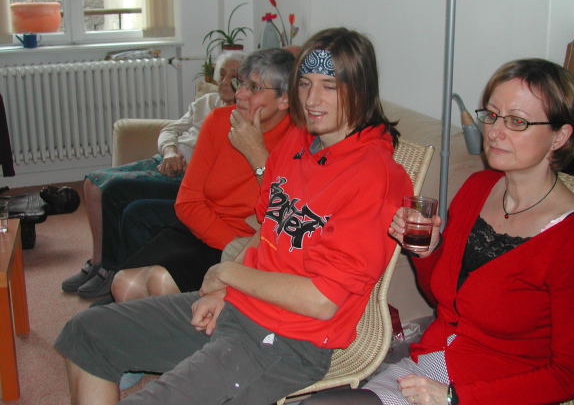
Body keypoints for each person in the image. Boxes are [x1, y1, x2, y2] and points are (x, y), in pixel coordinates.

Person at [54, 27, 412, 404]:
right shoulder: (300, 141)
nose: (311, 99)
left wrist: (227, 273)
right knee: (85, 333)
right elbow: (268, 231)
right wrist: (226, 291)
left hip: (286, 343)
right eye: (305, 83)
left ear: (360, 90)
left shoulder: (375, 178)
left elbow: (322, 300)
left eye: (329, 86)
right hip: (239, 309)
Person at [300, 58, 574, 405]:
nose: (495, 132)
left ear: (560, 135)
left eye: (517, 121)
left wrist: (455, 398)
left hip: (497, 392)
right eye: (492, 115)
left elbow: (571, 377)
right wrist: (427, 251)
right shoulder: (478, 188)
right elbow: (444, 300)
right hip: (430, 365)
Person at [110, 48, 295, 301]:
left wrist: (256, 153)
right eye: (241, 83)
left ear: (284, 99)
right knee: (122, 283)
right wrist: (228, 243)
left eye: (254, 88)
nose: (239, 94)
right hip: (203, 231)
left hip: (250, 243)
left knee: (161, 281)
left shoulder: (299, 140)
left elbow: (283, 209)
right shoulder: (218, 121)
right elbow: (187, 202)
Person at [62, 51, 245, 298]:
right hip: (164, 160)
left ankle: (110, 269)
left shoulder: (240, 118)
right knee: (92, 183)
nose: (225, 82)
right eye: (222, 75)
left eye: (234, 78)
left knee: (115, 190)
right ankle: (98, 262)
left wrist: (186, 164)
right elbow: (170, 130)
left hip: (184, 175)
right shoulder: (206, 102)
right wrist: (169, 151)